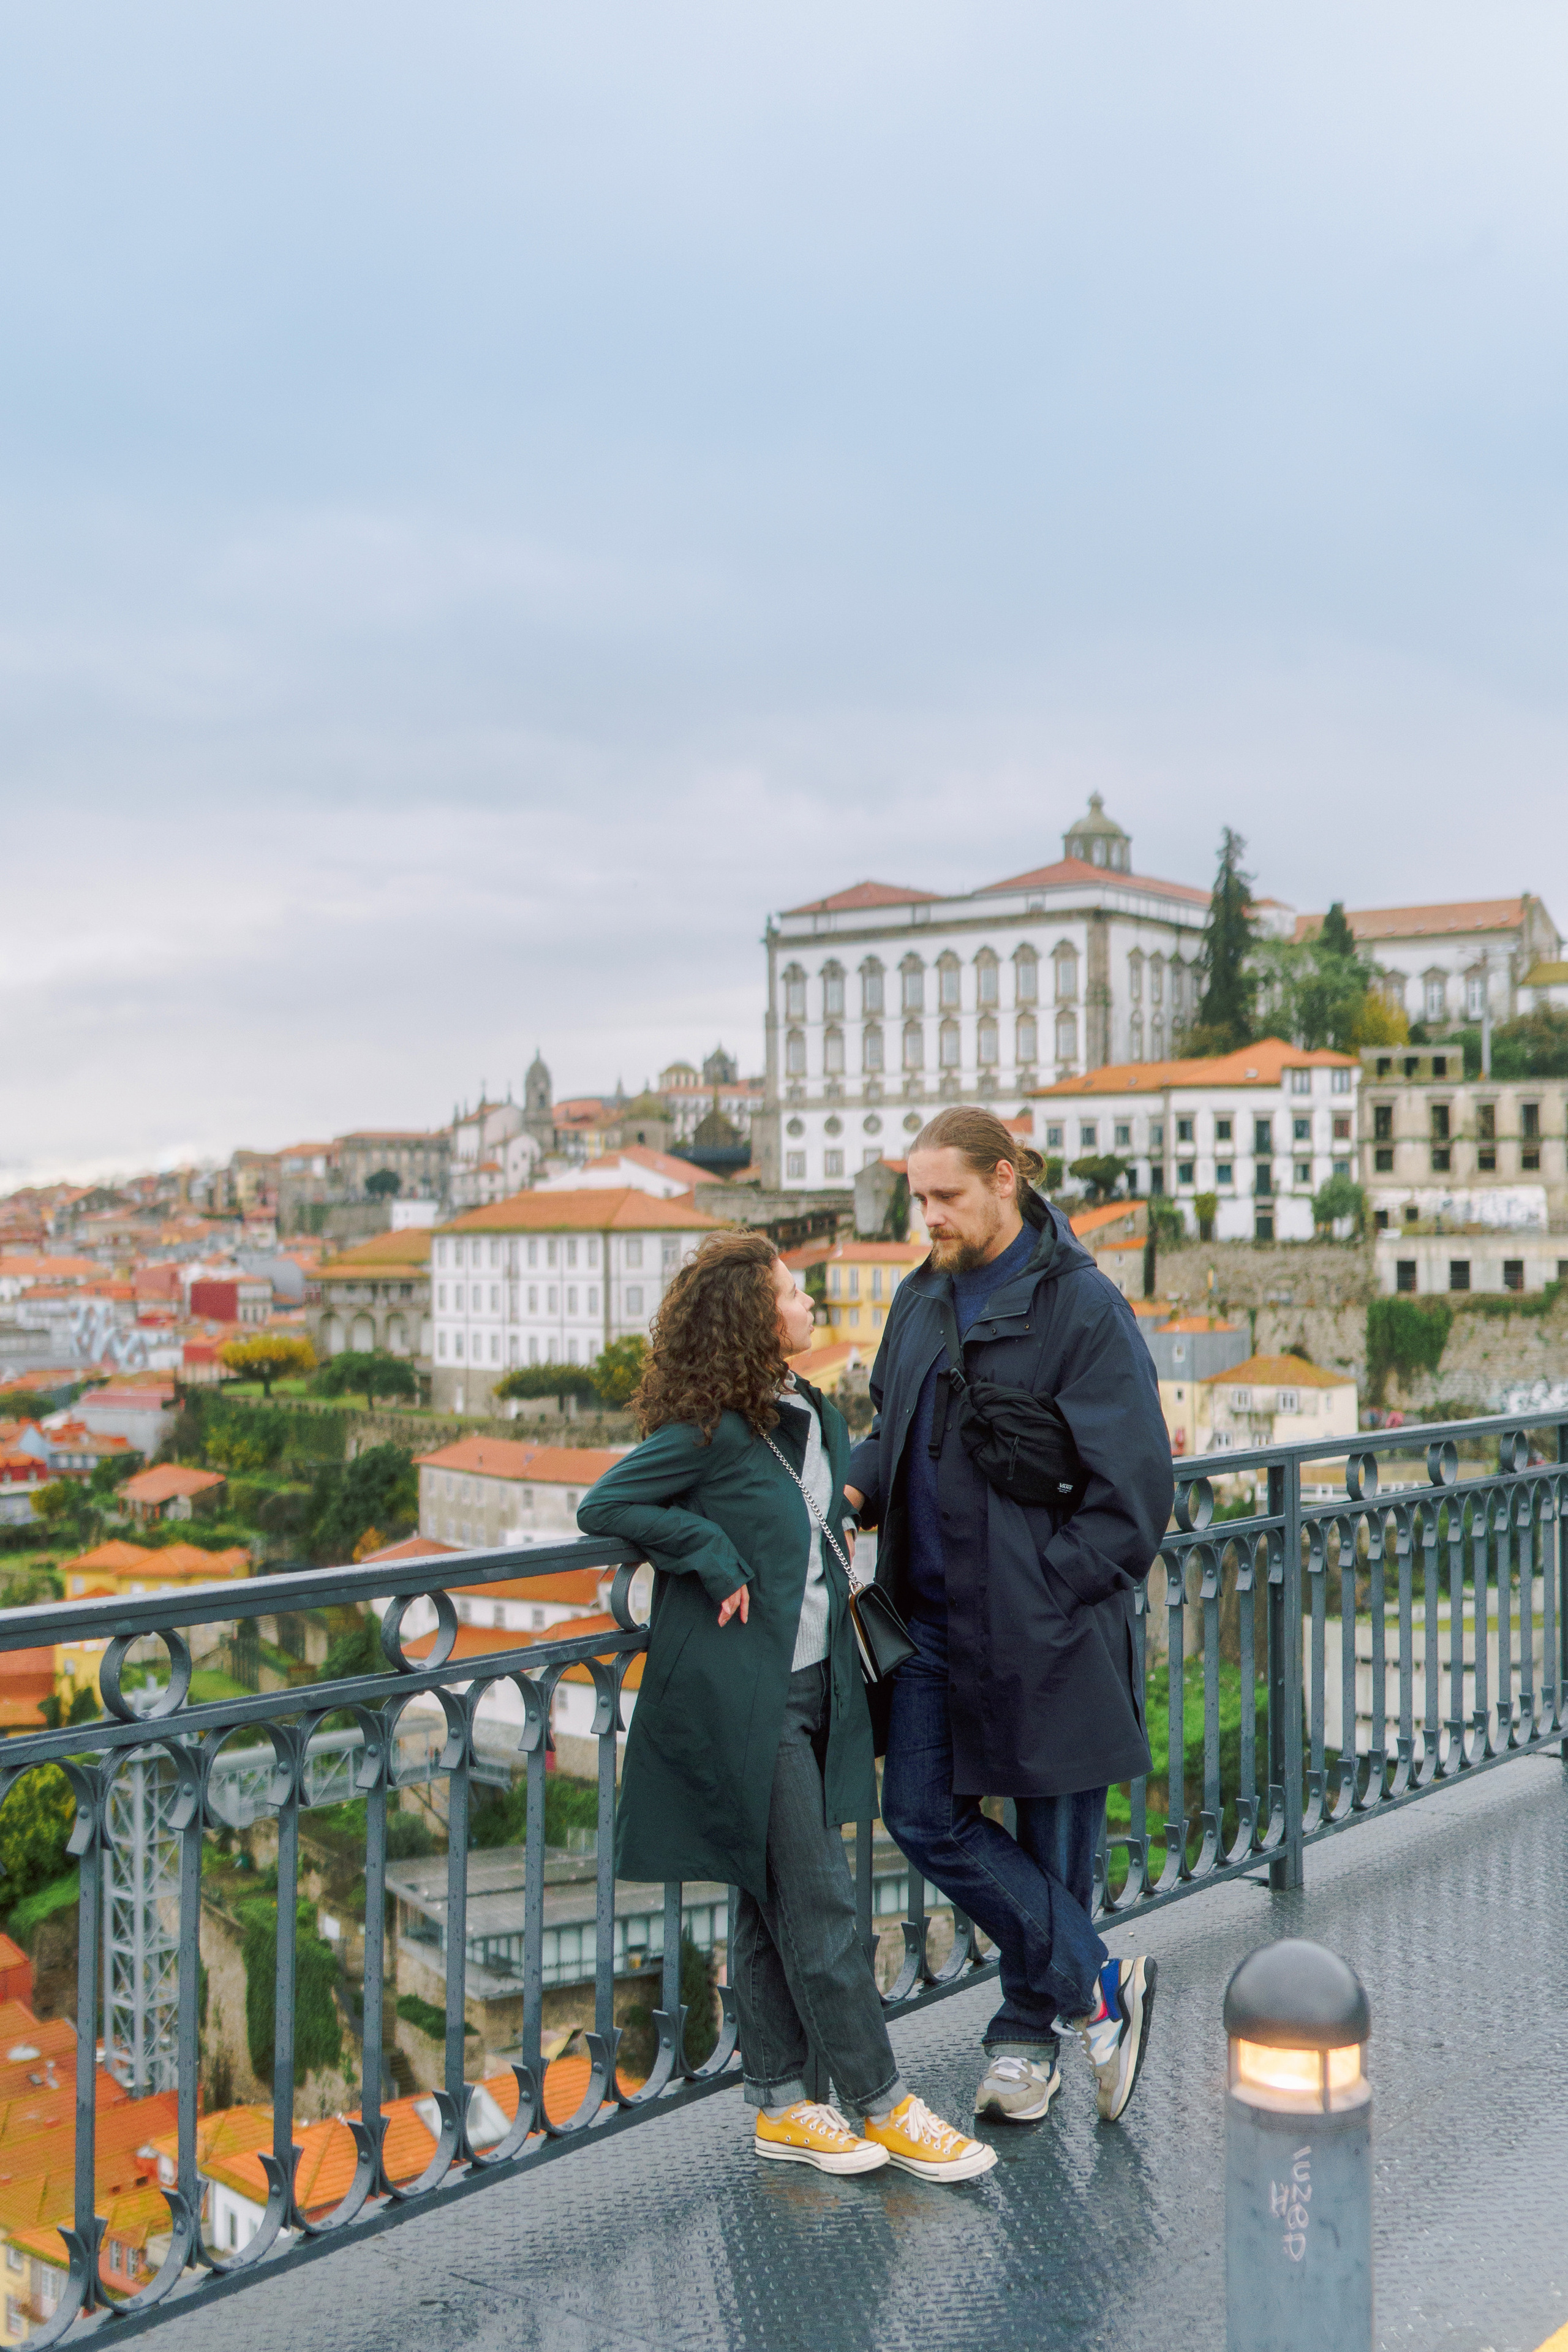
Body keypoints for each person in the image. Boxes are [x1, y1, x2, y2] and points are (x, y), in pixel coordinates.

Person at [577, 1228, 995, 2184]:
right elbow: (605, 1507)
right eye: (794, 1291)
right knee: (821, 1905)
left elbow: (820, 1521)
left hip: (817, 1688)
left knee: (771, 1907)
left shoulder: (806, 1411)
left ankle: (780, 2103)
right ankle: (884, 2105)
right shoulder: (710, 1432)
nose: (810, 1303)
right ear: (754, 1317)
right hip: (746, 1701)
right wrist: (707, 1552)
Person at [844, 1106, 1174, 2128]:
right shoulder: (919, 1300)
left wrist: (1053, 1588)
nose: (927, 1216)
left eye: (944, 1196)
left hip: (1048, 1626)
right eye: (918, 1197)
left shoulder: (1081, 1307)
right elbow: (889, 1426)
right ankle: (1101, 1987)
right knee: (921, 1817)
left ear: (1004, 1181)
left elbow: (1138, 1490)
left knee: (1054, 1844)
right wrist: (853, 1491)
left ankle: (1027, 2049)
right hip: (934, 1626)